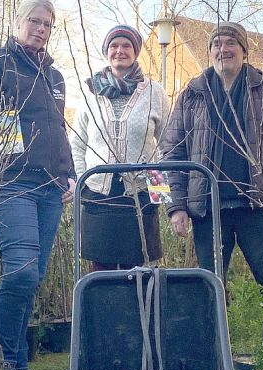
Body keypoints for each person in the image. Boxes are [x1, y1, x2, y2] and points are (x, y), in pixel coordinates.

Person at [0, 0, 75, 370]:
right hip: (13, 181)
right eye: (34, 21)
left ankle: (16, 367)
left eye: (47, 24)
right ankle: (6, 361)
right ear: (18, 23)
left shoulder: (55, 76)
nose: (40, 29)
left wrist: (68, 173)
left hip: (50, 187)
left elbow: (58, 129)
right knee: (19, 271)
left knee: (32, 277)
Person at [159, 21, 263, 285]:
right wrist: (176, 207)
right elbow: (172, 153)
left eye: (230, 43)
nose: (224, 50)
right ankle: (217, 328)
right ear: (210, 51)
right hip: (207, 209)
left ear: (244, 50)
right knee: (209, 286)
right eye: (217, 44)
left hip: (256, 205)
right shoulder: (192, 94)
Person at [69, 25, 170, 271]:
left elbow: (168, 144)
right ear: (106, 51)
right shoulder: (90, 92)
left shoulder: (154, 92)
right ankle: (103, 311)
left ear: (135, 51)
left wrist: (160, 195)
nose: (120, 51)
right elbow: (77, 143)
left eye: (126, 46)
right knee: (100, 272)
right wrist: (83, 182)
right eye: (114, 46)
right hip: (98, 195)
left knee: (135, 272)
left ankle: (135, 311)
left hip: (139, 195)